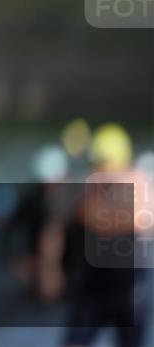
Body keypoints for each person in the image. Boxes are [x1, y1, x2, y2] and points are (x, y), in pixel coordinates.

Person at [38, 123, 152, 347]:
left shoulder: (141, 188)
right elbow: (54, 227)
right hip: (92, 290)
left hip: (130, 293)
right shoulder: (82, 190)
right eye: (99, 169)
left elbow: (135, 219)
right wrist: (49, 270)